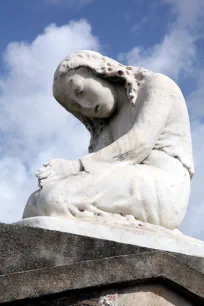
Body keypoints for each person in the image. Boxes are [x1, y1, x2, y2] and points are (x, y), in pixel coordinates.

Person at [23, 50, 194, 230]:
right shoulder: (104, 128)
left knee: (55, 198)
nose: (84, 106)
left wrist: (72, 167)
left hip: (162, 189)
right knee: (35, 203)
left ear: (98, 70)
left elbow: (139, 145)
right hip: (126, 179)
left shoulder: (158, 86)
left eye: (79, 91)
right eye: (75, 107)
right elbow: (97, 172)